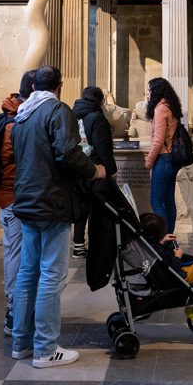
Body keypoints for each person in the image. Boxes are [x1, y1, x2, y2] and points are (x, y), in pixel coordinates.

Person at [10, 65, 106, 368]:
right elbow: (67, 150)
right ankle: (45, 349)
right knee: (52, 275)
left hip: (27, 200)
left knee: (28, 273)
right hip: (52, 201)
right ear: (59, 87)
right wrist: (93, 170)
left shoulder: (23, 114)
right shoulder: (56, 110)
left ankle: (21, 343)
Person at [0, 70, 36, 335]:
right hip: (13, 197)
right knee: (16, 255)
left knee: (19, 253)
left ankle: (21, 308)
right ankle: (13, 310)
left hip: (16, 196)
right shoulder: (14, 123)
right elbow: (14, 161)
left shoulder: (16, 116)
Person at [140, 212, 193, 314]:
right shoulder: (157, 251)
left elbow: (160, 259)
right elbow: (172, 269)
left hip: (168, 277)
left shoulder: (147, 247)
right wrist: (177, 256)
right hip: (178, 277)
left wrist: (161, 243)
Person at [72, 85, 117, 258]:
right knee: (96, 208)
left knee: (80, 207)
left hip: (76, 168)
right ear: (99, 100)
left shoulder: (72, 114)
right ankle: (96, 246)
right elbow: (103, 148)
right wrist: (110, 170)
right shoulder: (97, 118)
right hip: (95, 169)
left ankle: (78, 246)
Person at [144, 77, 185, 234]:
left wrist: (149, 161)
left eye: (149, 90)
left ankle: (163, 238)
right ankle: (169, 238)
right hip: (171, 160)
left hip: (163, 159)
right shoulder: (170, 106)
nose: (147, 94)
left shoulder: (160, 108)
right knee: (168, 201)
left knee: (156, 200)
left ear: (156, 91)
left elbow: (158, 140)